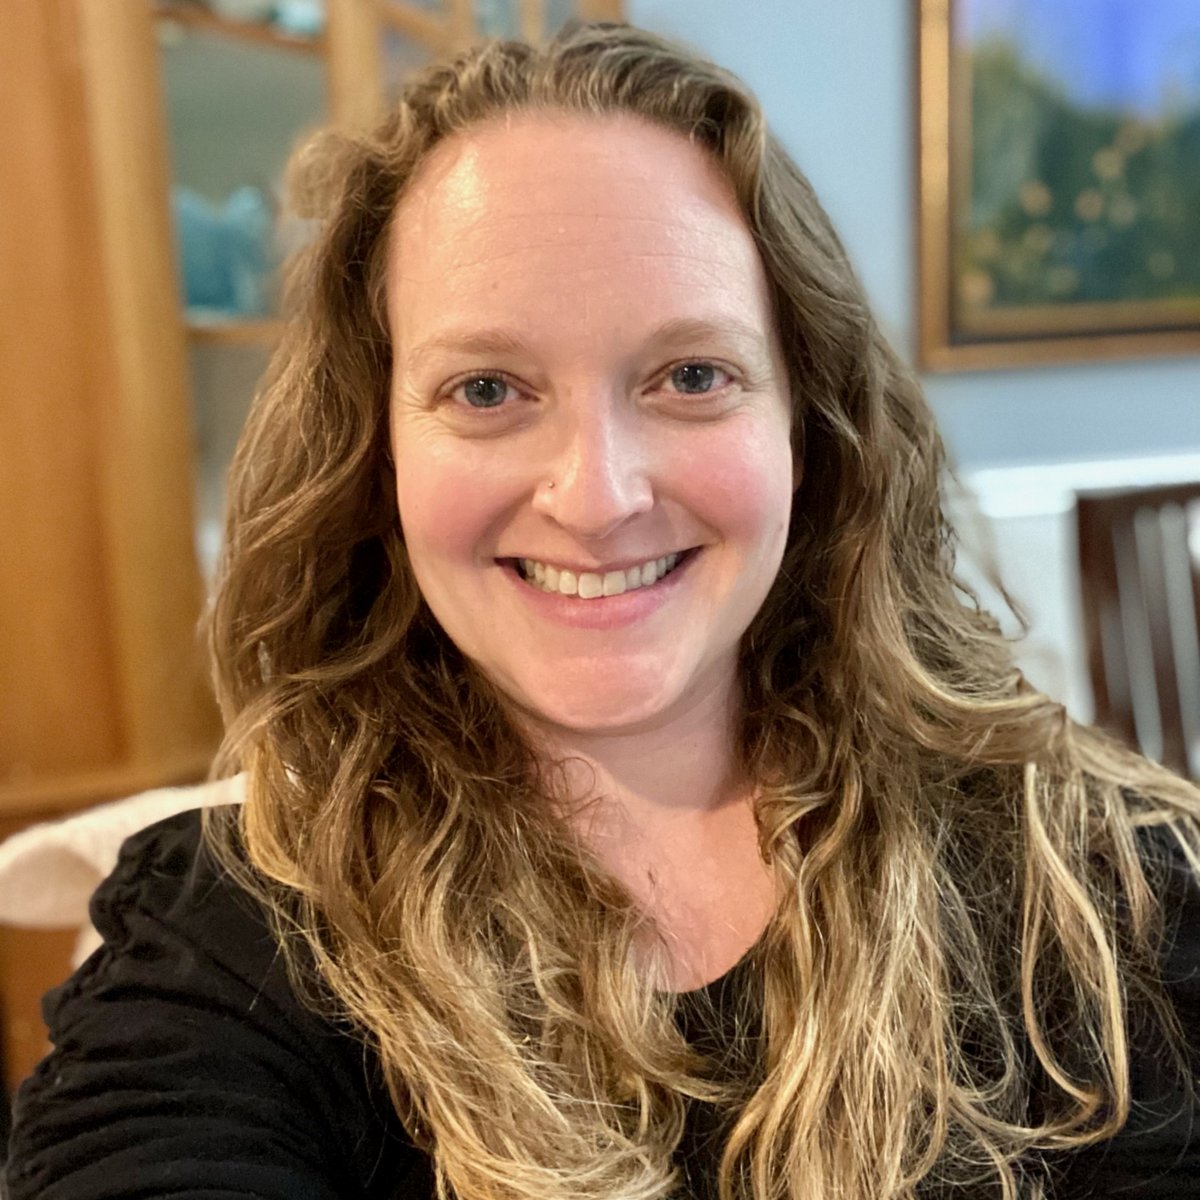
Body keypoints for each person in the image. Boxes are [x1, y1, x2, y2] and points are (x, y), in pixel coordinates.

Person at [6, 21, 1200, 1200]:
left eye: (691, 376)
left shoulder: (1101, 885)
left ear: (807, 430)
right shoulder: (232, 938)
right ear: (375, 452)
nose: (598, 496)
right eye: (486, 389)